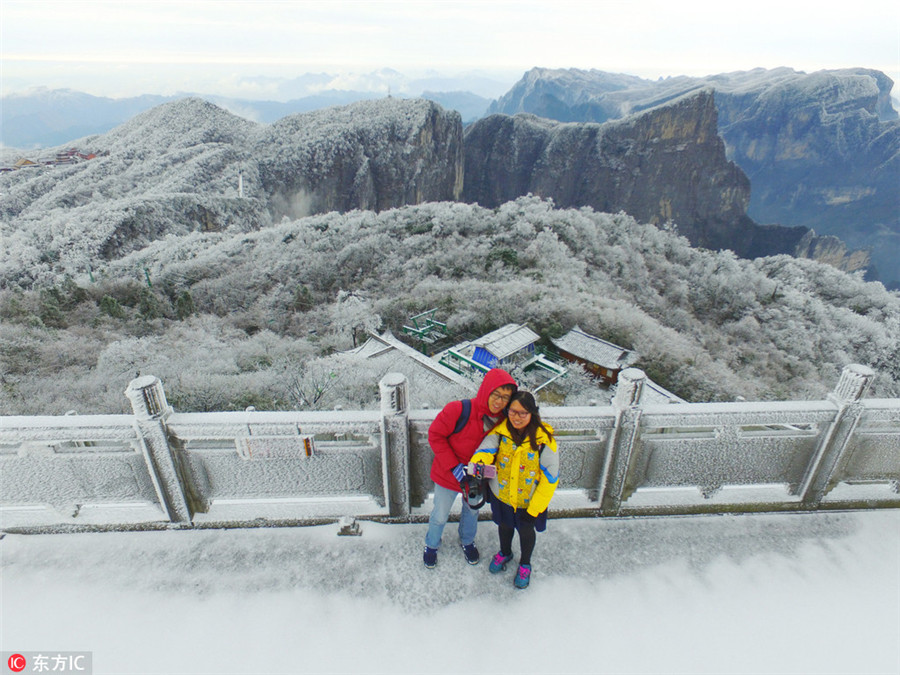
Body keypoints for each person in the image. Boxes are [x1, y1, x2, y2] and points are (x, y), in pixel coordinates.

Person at [424, 368, 517, 569]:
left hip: (477, 477)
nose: (499, 401)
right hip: (448, 474)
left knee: (472, 512)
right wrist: (454, 467)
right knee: (440, 514)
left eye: (505, 398)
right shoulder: (458, 409)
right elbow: (435, 435)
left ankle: (467, 541)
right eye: (496, 394)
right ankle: (431, 544)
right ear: (485, 390)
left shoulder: (504, 422)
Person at [470, 390, 559, 589]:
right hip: (503, 496)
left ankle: (525, 563)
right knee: (504, 527)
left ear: (532, 414)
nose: (516, 417)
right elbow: (484, 451)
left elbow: (550, 479)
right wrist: (478, 464)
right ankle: (505, 552)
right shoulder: (501, 433)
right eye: (512, 411)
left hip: (528, 502)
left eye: (522, 413)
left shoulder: (544, 441)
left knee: (526, 532)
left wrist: (535, 509)